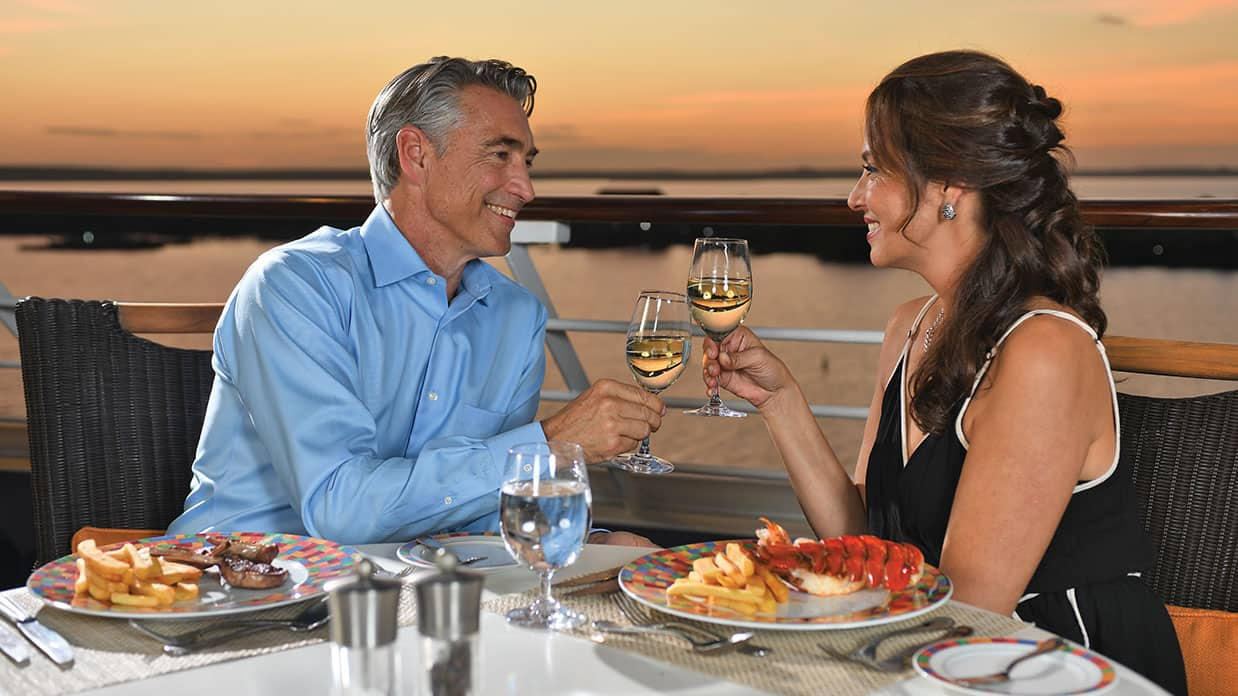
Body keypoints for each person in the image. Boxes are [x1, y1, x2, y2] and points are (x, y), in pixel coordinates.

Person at [702, 50, 1186, 693]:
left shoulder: (1043, 350)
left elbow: (972, 610)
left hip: (1057, 664)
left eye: (873, 169)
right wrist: (781, 402)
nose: (854, 197)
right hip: (939, 654)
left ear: (948, 187)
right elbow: (864, 540)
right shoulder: (910, 325)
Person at [169, 57, 659, 547]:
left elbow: (485, 510)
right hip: (233, 587)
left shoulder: (516, 316)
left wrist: (595, 545)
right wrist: (549, 445)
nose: (526, 189)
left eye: (526, 162)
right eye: (499, 156)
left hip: (410, 591)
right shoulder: (294, 287)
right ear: (416, 155)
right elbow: (340, 510)